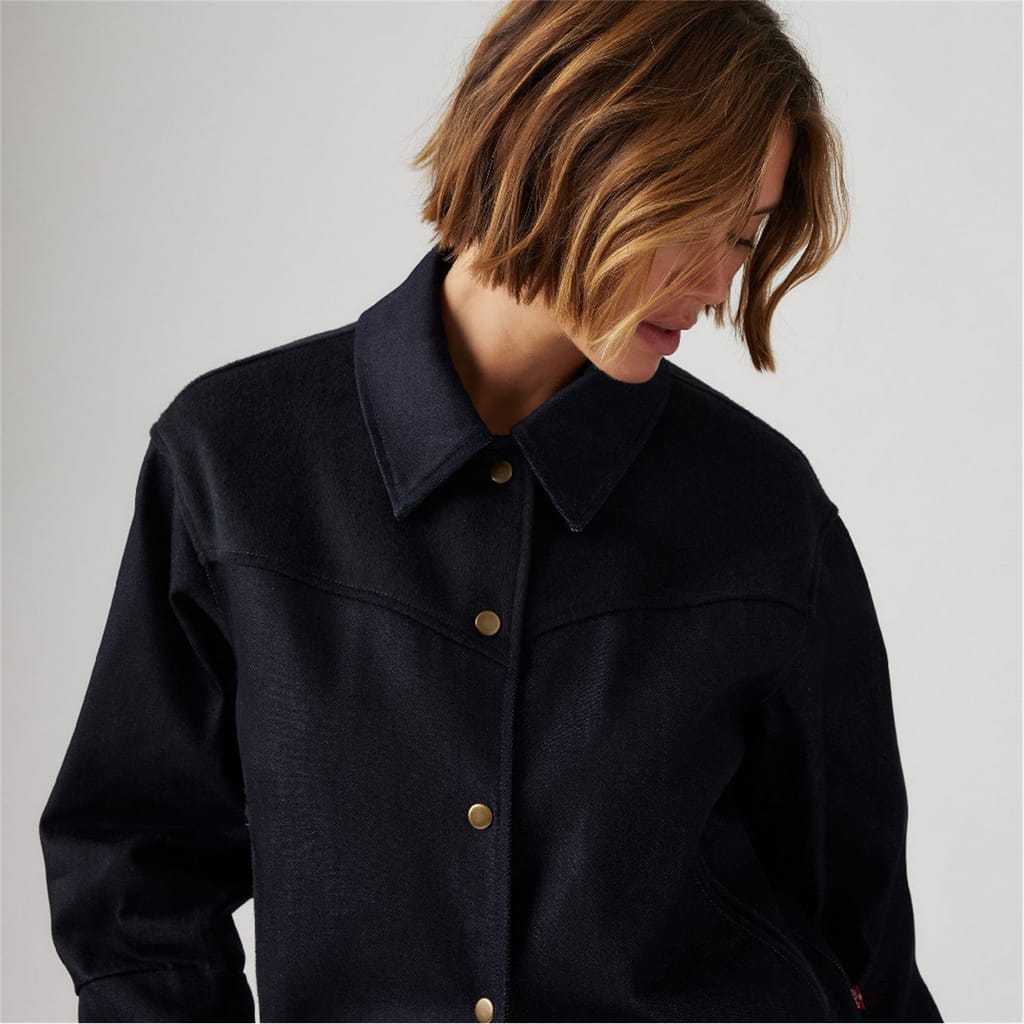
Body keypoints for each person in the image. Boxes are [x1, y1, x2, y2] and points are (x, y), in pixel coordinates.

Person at [38, 2, 943, 1021]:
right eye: (690, 217)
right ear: (568, 148)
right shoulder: (236, 463)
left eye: (742, 235)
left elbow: (860, 941)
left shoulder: (764, 509)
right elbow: (134, 875)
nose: (717, 281)